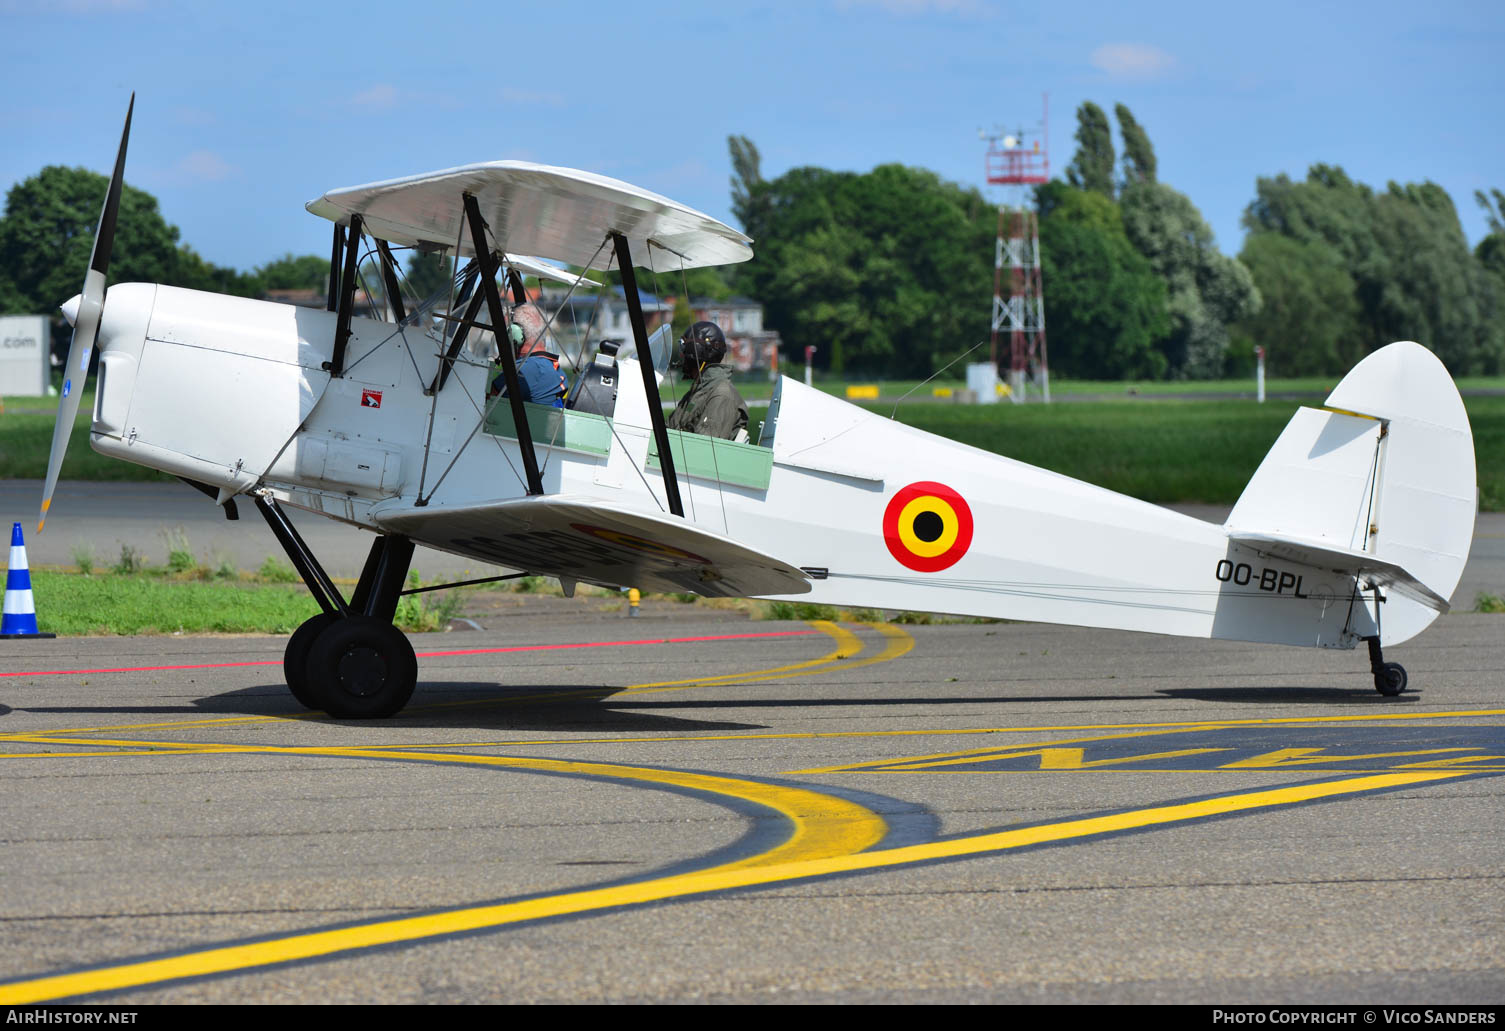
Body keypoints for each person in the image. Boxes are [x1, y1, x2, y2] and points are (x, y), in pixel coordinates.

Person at [666, 321, 748, 442]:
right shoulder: (699, 390)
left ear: (695, 352)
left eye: (683, 348)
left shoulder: (721, 395)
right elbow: (670, 428)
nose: (681, 355)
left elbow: (704, 450)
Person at [491, 302, 567, 407]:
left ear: (516, 334)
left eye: (507, 331)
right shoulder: (554, 368)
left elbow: (484, 401)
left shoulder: (524, 371)